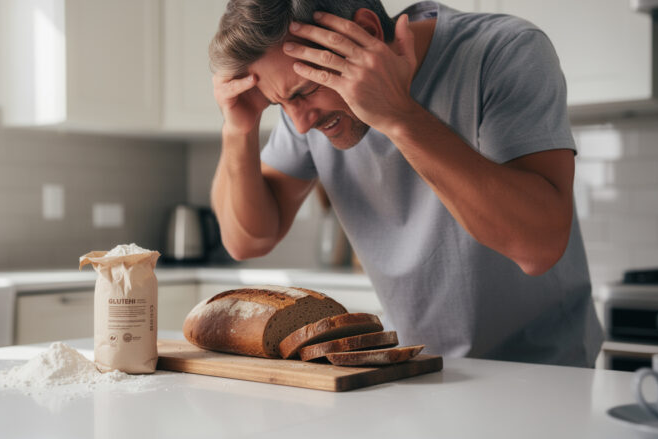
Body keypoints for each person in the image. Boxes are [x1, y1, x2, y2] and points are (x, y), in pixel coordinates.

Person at [208, 0, 604, 367]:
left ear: (364, 30)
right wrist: (237, 130)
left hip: (544, 374)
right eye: (281, 104)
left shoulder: (504, 50)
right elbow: (248, 241)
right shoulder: (310, 108)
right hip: (417, 369)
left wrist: (398, 116)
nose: (299, 122)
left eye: (305, 91)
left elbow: (538, 247)